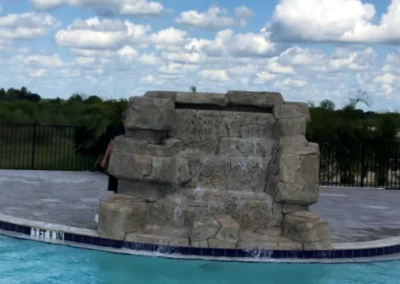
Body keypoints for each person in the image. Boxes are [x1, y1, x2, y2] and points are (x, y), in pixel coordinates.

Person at [100, 111, 126, 193]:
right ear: (122, 119)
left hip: (126, 158)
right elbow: (111, 144)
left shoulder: (134, 130)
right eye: (124, 118)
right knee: (115, 180)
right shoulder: (118, 129)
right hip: (117, 158)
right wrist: (104, 159)